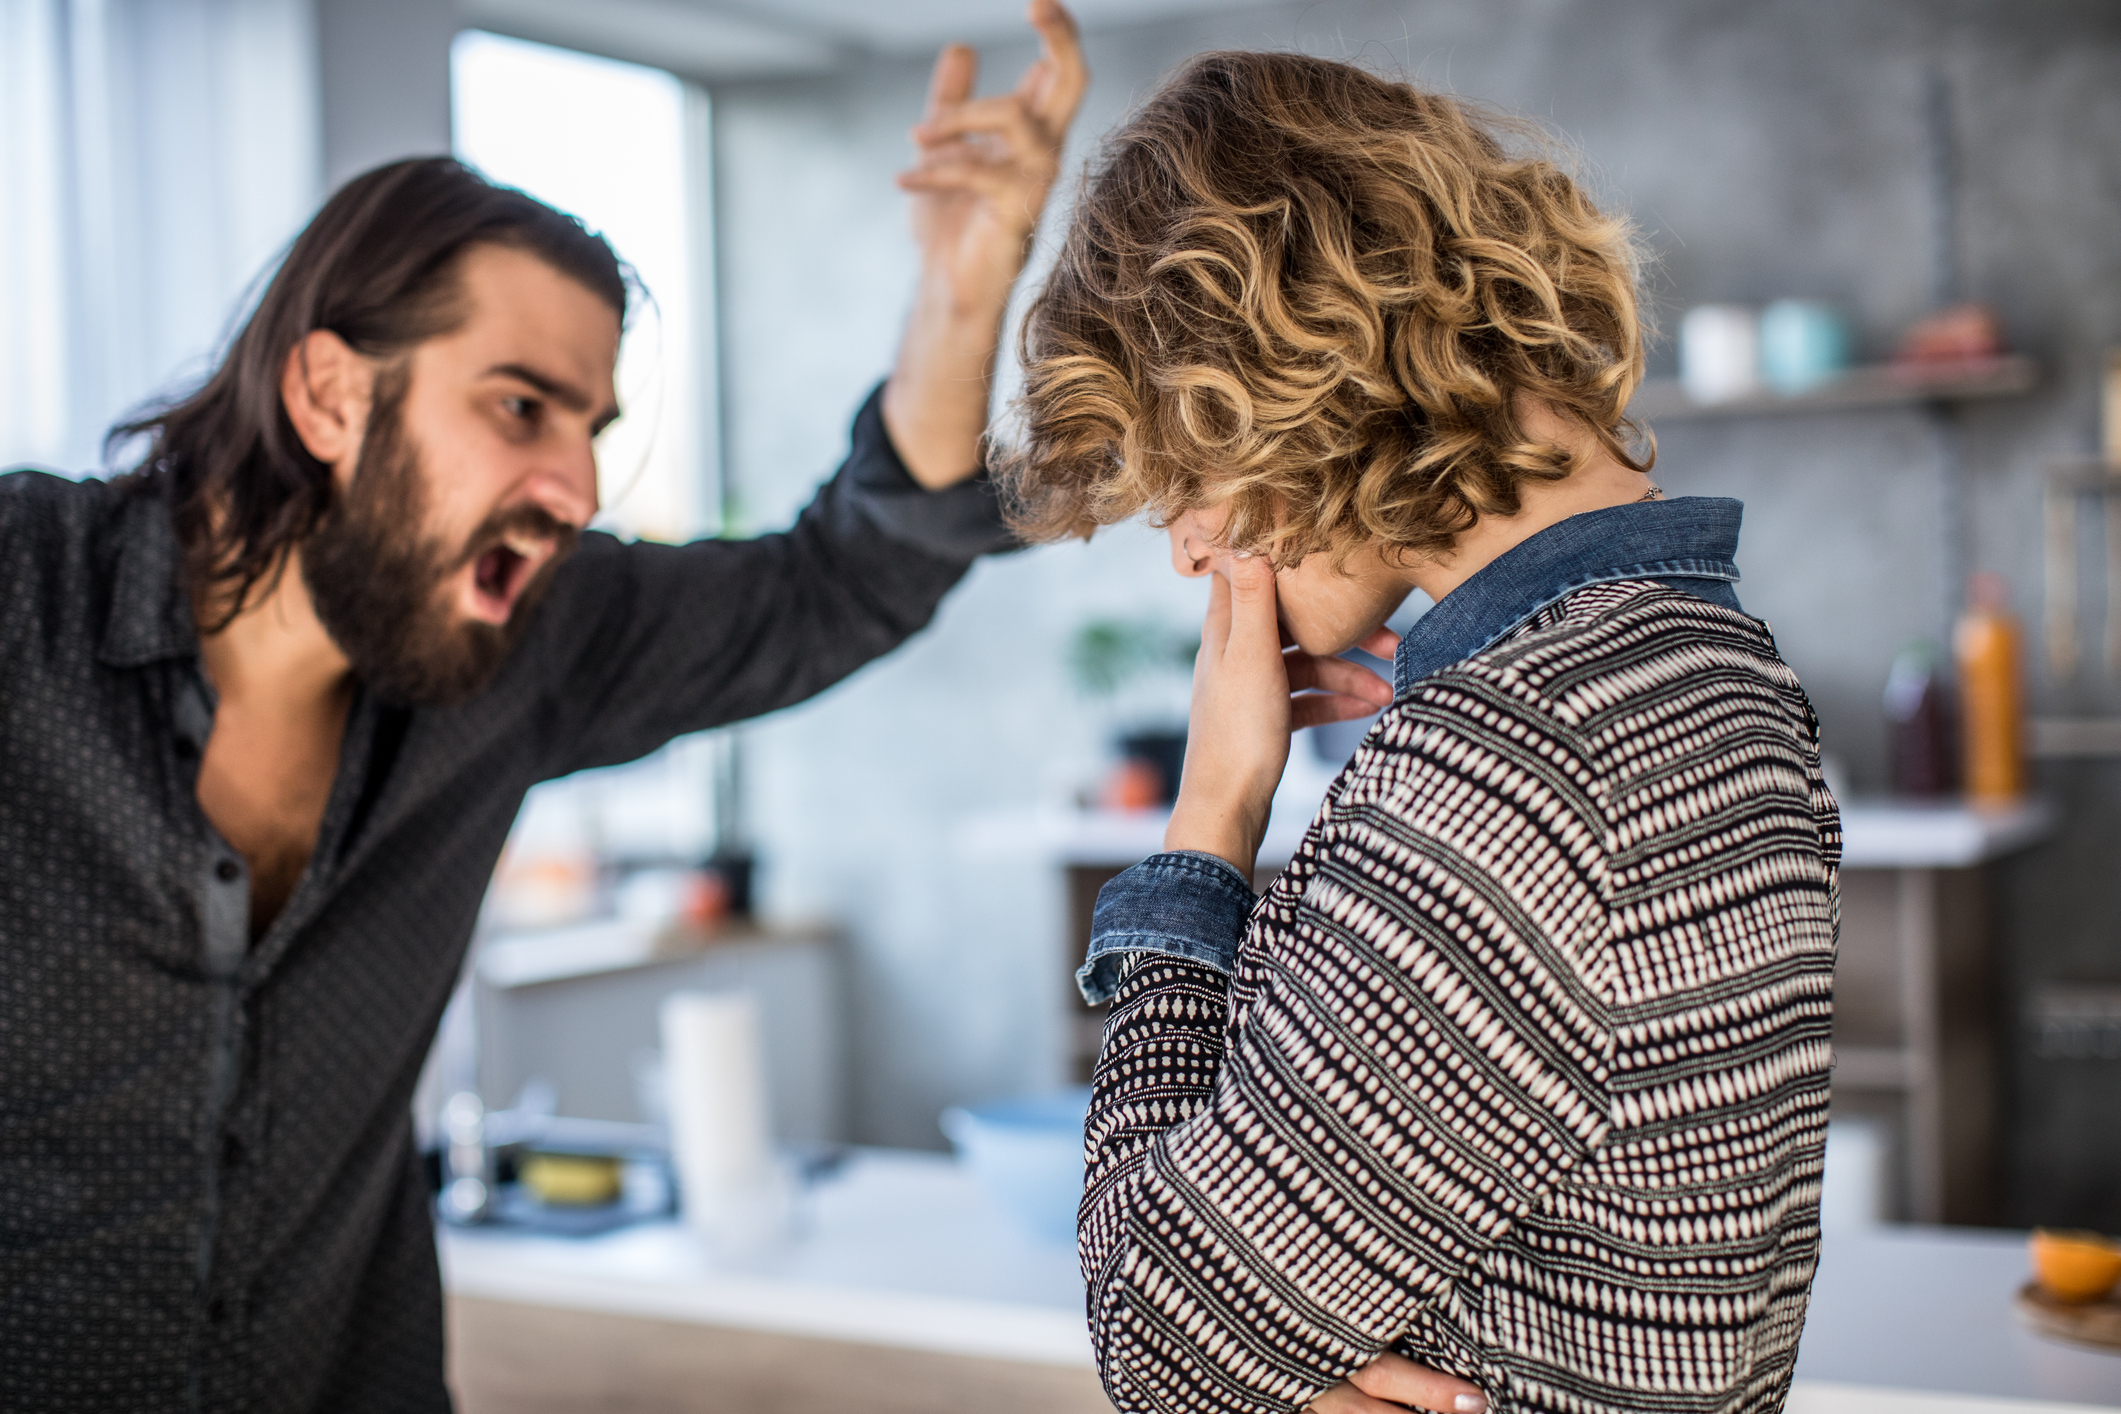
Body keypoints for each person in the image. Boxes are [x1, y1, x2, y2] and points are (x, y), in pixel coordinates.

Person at [0, 5, 1086, 1410]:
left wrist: (961, 289)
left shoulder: (518, 650)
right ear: (329, 393)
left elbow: (844, 578)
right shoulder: (24, 598)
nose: (576, 489)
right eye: (520, 407)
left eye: (592, 430)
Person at [1003, 52, 1838, 1414]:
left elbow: (1154, 1330)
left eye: (1182, 480)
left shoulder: (1516, 765)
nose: (1191, 549)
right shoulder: (1712, 660)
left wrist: (1210, 819)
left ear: (1282, 375)